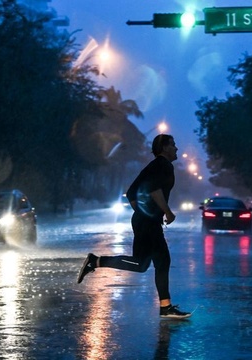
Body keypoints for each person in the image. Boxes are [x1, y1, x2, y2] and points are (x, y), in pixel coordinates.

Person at [77, 134, 191, 319]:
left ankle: (96, 261)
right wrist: (165, 212)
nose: (176, 148)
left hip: (144, 221)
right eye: (173, 145)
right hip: (148, 223)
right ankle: (166, 307)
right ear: (164, 148)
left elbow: (131, 193)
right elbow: (154, 190)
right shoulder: (163, 165)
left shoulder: (152, 166)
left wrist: (143, 213)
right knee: (162, 260)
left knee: (141, 264)